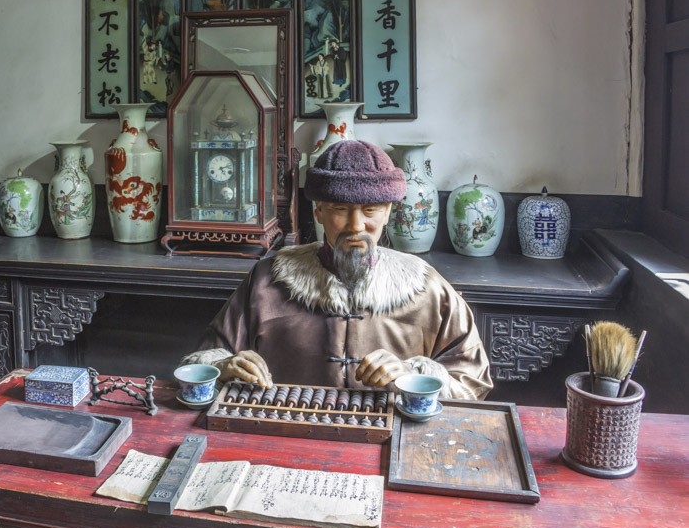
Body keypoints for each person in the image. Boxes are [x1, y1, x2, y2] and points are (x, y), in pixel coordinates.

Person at [180, 140, 493, 400]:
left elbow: (472, 381)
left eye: (370, 211)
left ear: (388, 213)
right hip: (286, 435)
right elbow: (207, 360)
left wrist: (414, 375)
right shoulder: (267, 281)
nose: (356, 226)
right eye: (340, 210)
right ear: (318, 211)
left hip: (392, 441)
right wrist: (225, 367)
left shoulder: (427, 289)